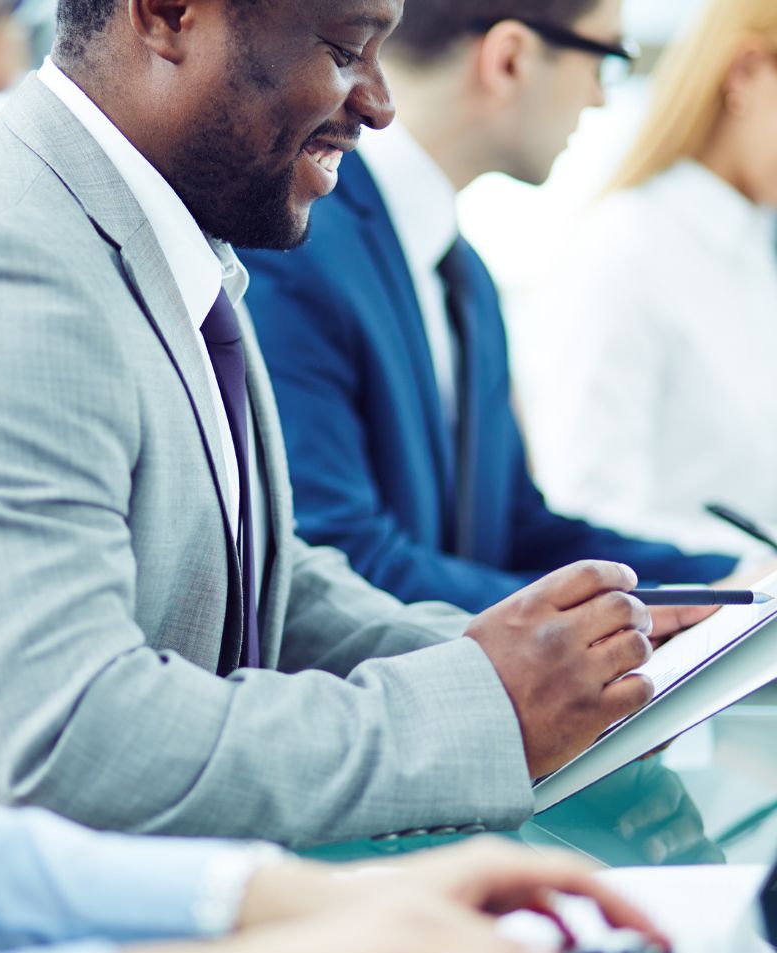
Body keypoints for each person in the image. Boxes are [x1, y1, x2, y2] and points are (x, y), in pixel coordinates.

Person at [0, 0, 665, 953]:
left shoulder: (151, 248)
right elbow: (66, 743)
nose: (376, 101)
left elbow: (247, 566)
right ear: (169, 15)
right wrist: (477, 711)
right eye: (341, 49)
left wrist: (515, 676)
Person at [239, 0, 740, 617]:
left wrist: (735, 580)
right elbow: (340, 561)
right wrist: (641, 615)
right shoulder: (298, 246)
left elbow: (515, 529)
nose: (603, 101)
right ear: (511, 58)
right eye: (605, 60)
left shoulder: (465, 274)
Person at [511, 0, 777, 560]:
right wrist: (751, 565)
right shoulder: (626, 249)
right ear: (748, 73)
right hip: (689, 632)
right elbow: (589, 512)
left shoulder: (755, 254)